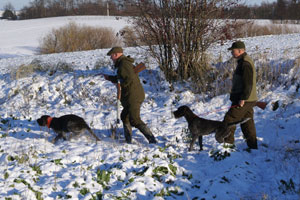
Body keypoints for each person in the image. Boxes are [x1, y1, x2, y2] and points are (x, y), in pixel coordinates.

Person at [104, 46, 157, 144]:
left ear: (116, 55)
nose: (110, 58)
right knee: (125, 116)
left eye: (111, 56)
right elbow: (123, 77)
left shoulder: (124, 64)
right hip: (131, 95)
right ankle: (128, 140)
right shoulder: (123, 64)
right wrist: (110, 78)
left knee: (135, 120)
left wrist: (119, 83)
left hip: (133, 96)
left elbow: (129, 79)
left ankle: (152, 140)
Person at [223, 41, 258, 149]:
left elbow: (248, 83)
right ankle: (253, 147)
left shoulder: (245, 63)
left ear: (240, 50)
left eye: (233, 51)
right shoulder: (243, 61)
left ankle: (227, 147)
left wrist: (243, 98)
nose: (232, 53)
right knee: (247, 122)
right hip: (248, 99)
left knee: (229, 119)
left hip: (244, 99)